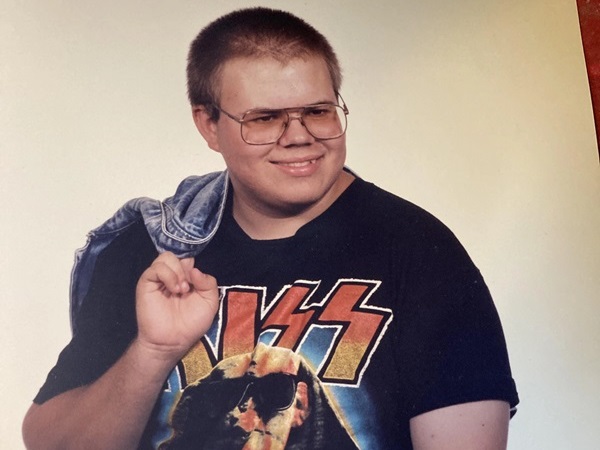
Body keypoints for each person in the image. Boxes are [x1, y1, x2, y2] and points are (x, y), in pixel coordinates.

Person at [22, 7, 519, 450]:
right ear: (208, 124)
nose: (299, 136)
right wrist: (153, 352)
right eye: (264, 119)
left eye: (318, 112)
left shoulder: (421, 253)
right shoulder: (152, 253)